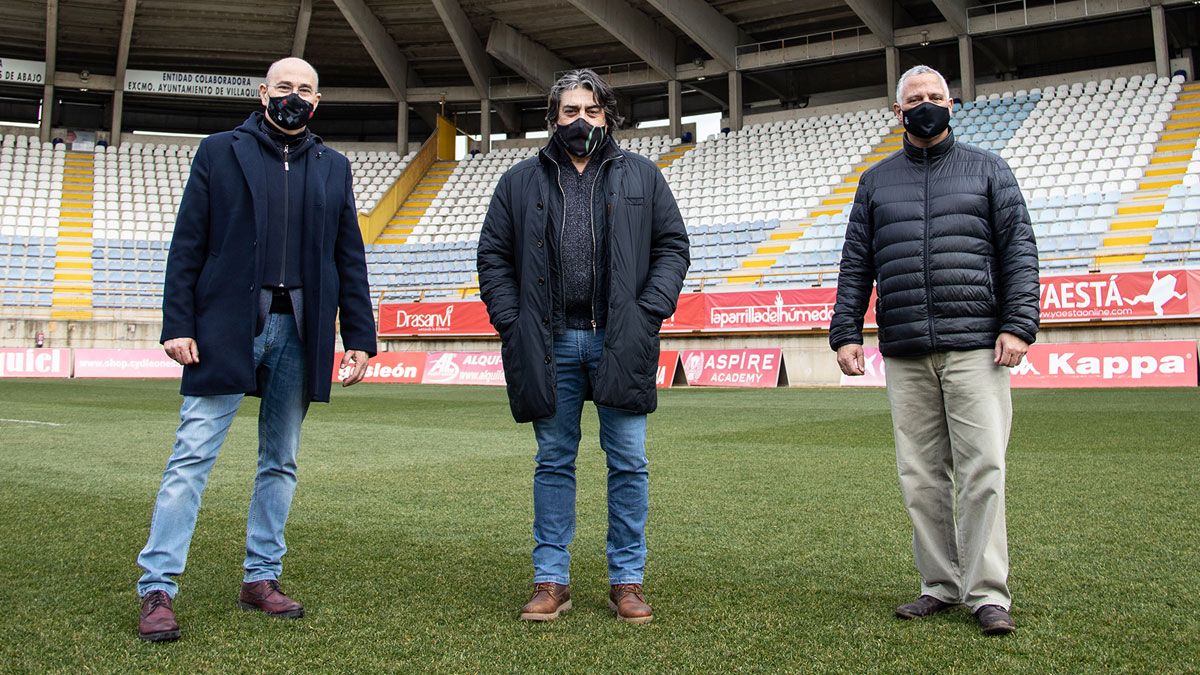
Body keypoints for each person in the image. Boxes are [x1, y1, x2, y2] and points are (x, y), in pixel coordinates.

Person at [135, 57, 376, 642]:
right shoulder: (219, 151)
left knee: (281, 460)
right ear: (263, 92)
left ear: (317, 102)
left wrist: (361, 337)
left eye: (306, 89)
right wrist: (177, 322)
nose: (295, 97)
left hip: (302, 329)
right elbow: (187, 241)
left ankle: (260, 577)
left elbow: (349, 256)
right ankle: (158, 586)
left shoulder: (333, 166)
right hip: (225, 326)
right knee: (192, 456)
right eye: (285, 87)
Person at [829, 65, 1040, 635]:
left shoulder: (989, 169)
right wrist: (846, 330)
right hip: (904, 347)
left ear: (952, 103)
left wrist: (1019, 323)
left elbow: (1018, 251)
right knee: (921, 475)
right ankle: (940, 585)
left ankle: (988, 592)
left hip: (977, 345)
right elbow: (857, 263)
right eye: (914, 99)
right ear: (896, 112)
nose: (926, 105)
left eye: (935, 97)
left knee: (983, 469)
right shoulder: (875, 182)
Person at [477, 69, 689, 625]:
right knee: (553, 461)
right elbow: (493, 258)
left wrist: (648, 311)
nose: (581, 120)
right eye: (569, 111)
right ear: (553, 118)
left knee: (629, 463)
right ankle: (552, 581)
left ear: (607, 116)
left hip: (621, 340)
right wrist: (510, 320)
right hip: (548, 343)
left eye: (591, 111)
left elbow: (673, 246)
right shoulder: (518, 182)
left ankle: (627, 581)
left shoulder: (642, 175)